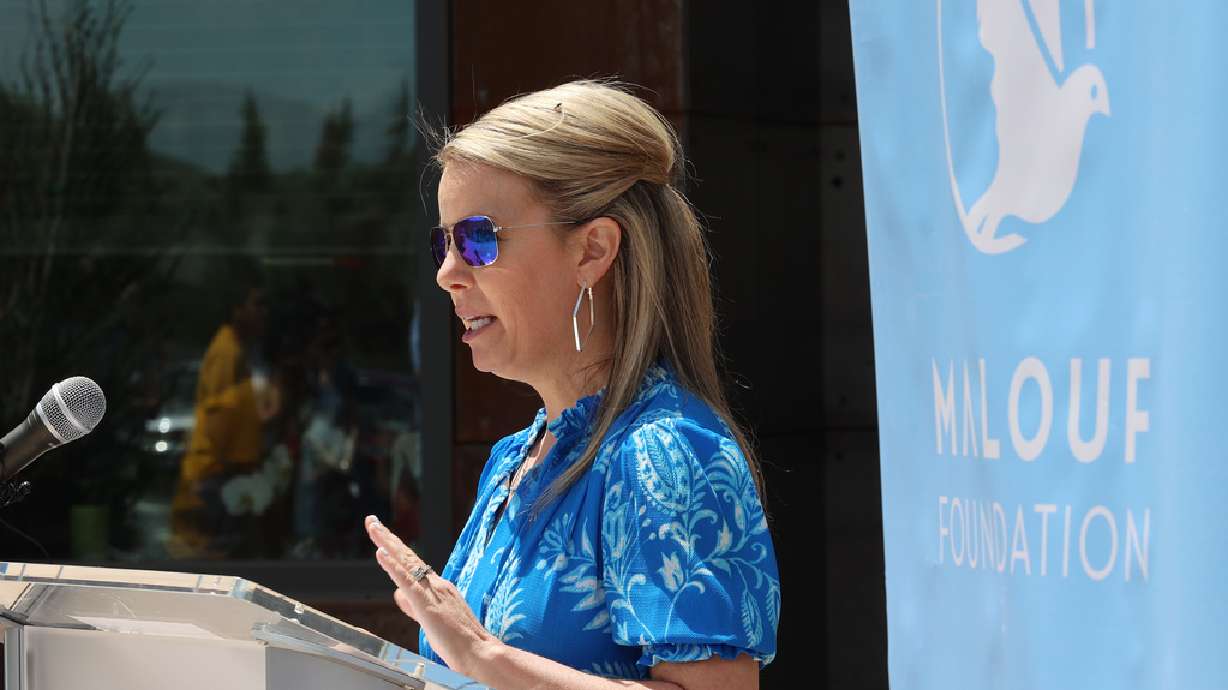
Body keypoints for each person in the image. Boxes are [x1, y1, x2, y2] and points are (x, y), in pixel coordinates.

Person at [364, 79, 780, 689]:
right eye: (442, 243)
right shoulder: (517, 458)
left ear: (593, 250)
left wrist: (484, 658)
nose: (449, 273)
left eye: (478, 239)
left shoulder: (664, 454)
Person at [169, 275, 272, 557]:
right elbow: (218, 419)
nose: (263, 312)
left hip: (220, 474)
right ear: (236, 310)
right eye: (257, 304)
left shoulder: (237, 350)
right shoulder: (227, 353)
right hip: (214, 476)